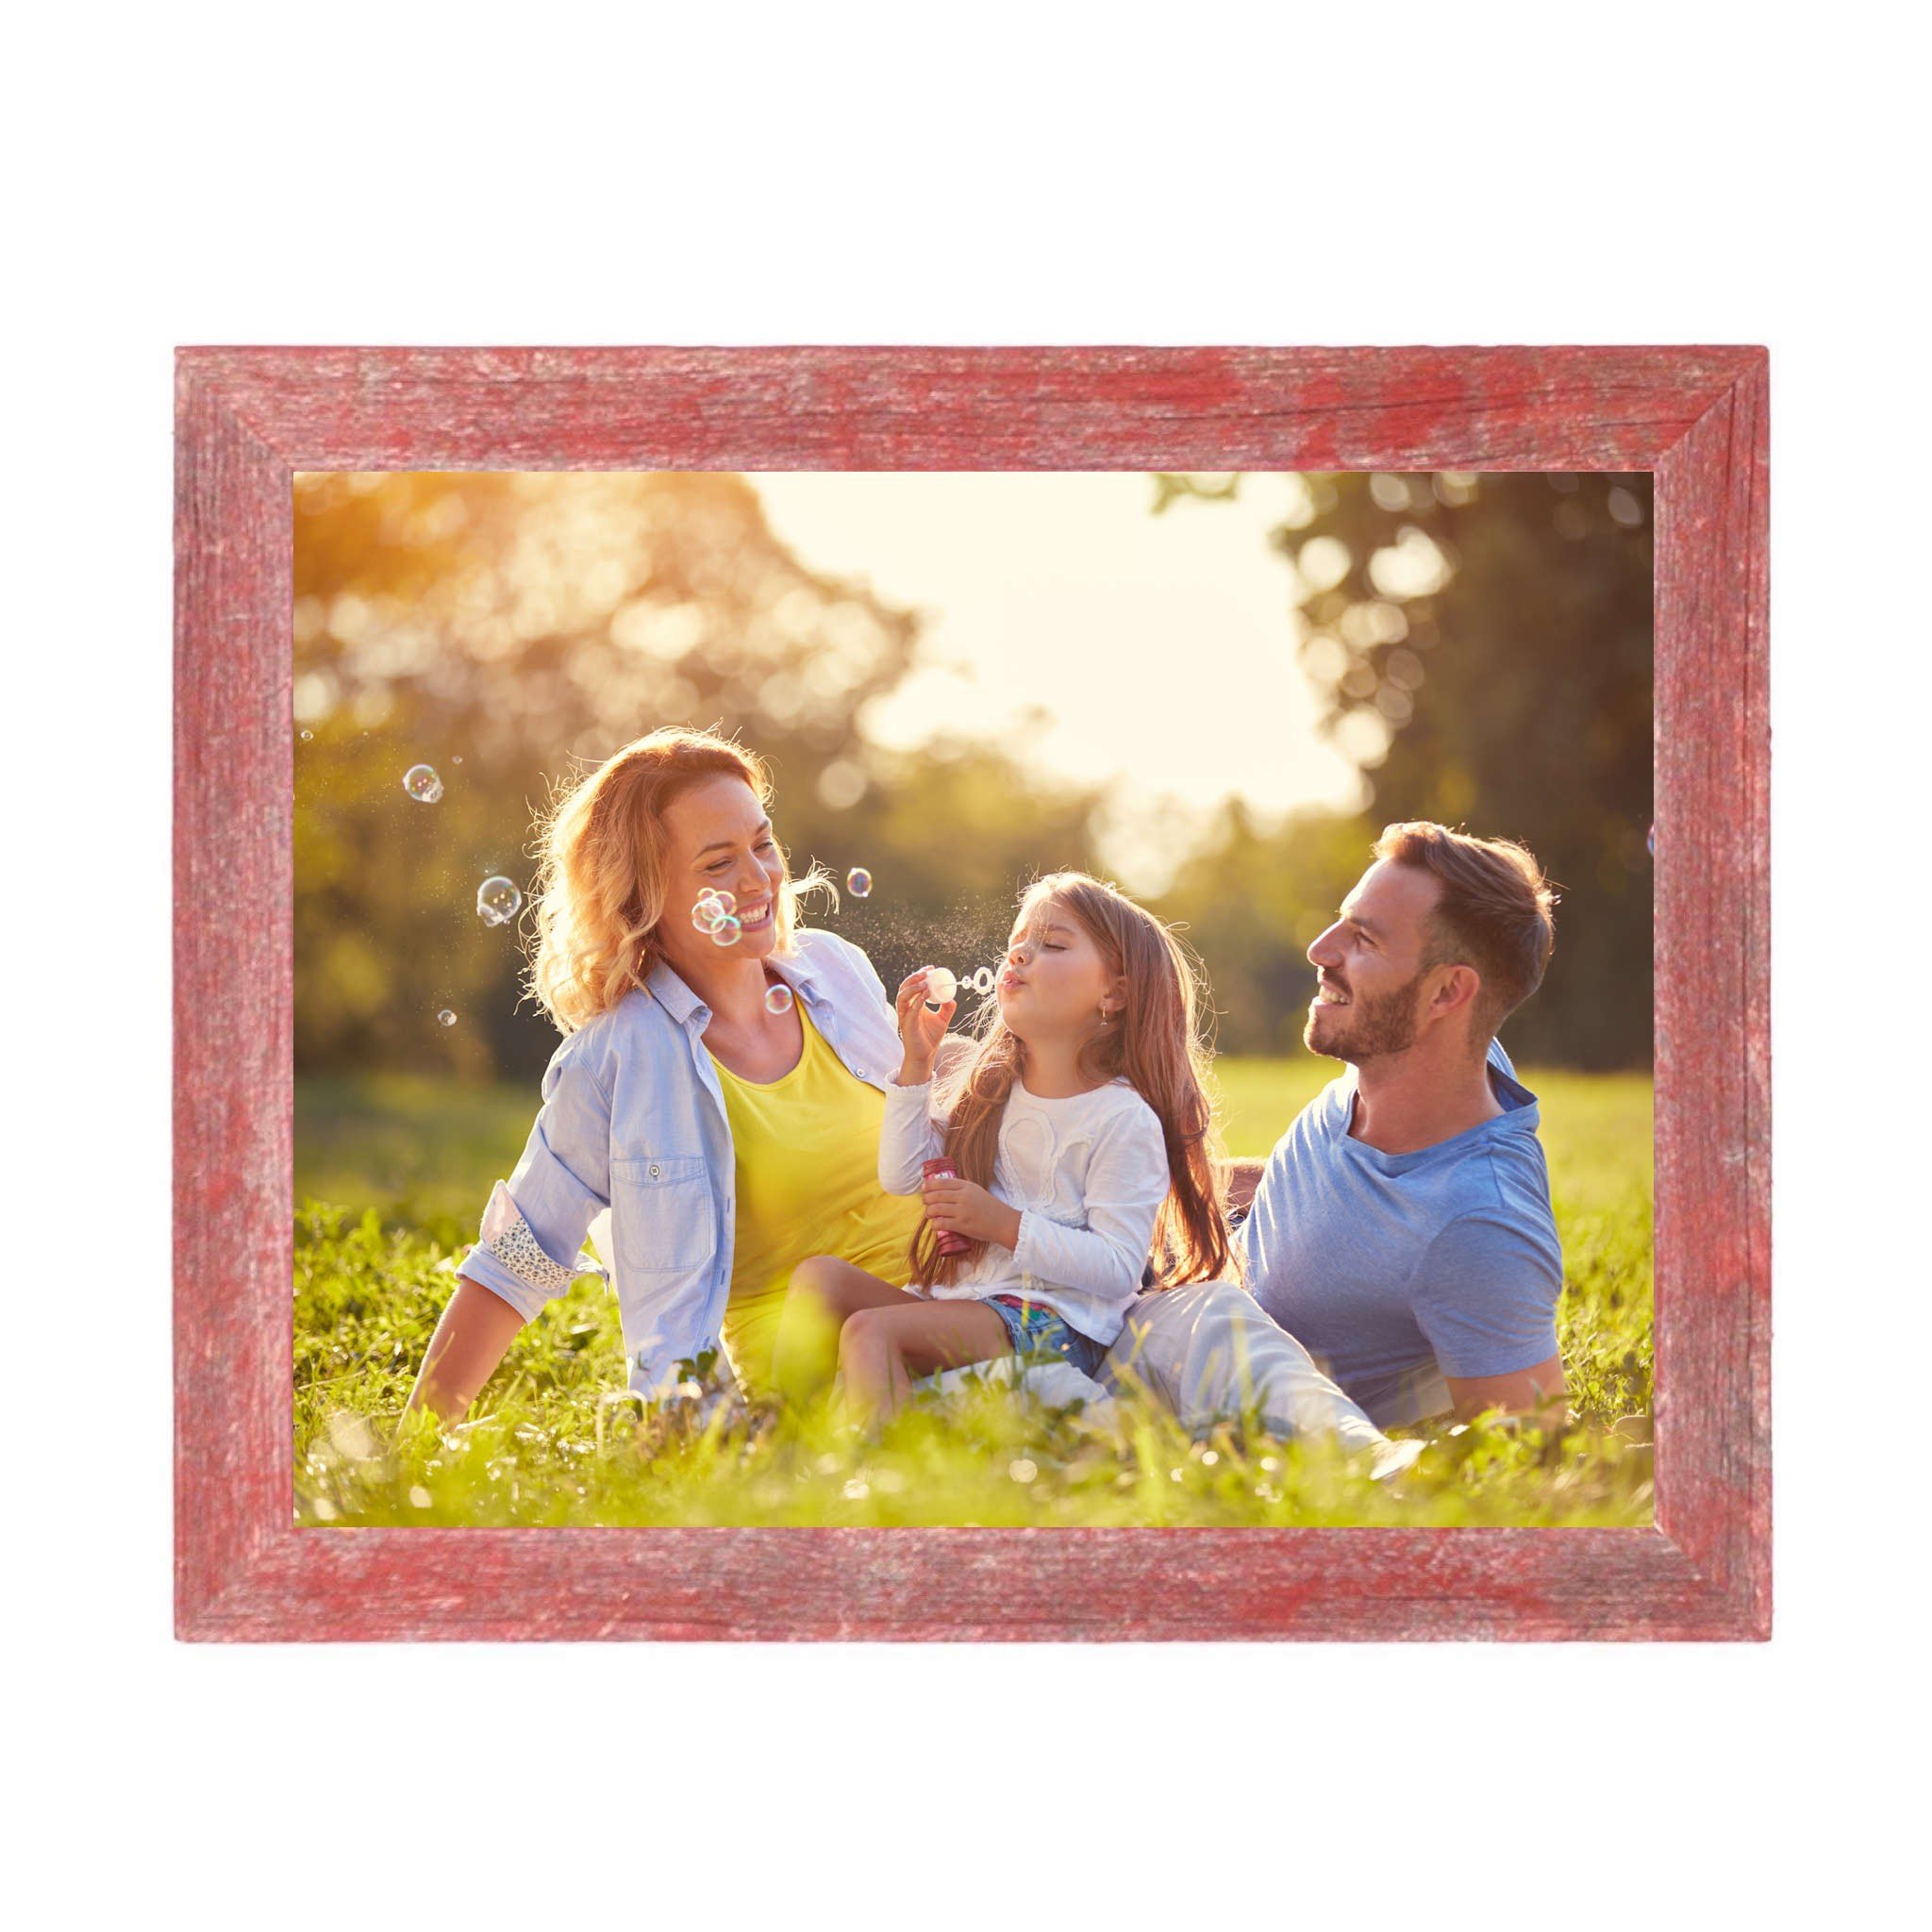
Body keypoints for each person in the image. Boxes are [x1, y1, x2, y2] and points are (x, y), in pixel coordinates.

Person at [402, 725, 925, 1417]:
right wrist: (409, 1452)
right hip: (818, 1387)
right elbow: (518, 1258)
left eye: (762, 845)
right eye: (716, 865)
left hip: (953, 1316)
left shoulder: (833, 968)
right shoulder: (618, 1058)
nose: (757, 877)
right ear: (641, 894)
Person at [1101, 821, 1566, 1432]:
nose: (1320, 949)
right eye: (1341, 921)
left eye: (1364, 941)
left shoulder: (1479, 1225)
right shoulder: (1431, 1064)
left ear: (1448, 993)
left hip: (1185, 1388)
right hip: (1159, 1286)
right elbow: (1331, 1202)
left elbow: (1529, 1447)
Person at [774, 873, 1232, 1423]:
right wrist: (916, 1064)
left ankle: (877, 1494)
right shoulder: (990, 1089)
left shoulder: (1121, 1117)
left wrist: (1002, 1224)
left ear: (1114, 992)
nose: (1019, 957)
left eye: (1052, 945)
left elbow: (1116, 1267)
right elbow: (900, 1176)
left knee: (871, 1332)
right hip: (969, 1307)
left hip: (1057, 1325)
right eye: (1017, 946)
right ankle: (781, 1451)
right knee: (820, 1281)